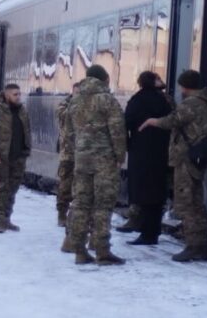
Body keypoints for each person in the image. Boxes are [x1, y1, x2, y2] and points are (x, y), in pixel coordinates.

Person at [139, 70, 207, 262]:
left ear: (187, 86)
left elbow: (172, 120)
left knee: (187, 204)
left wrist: (152, 121)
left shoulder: (192, 104)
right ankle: (200, 245)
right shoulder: (204, 102)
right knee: (195, 202)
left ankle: (194, 246)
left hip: (186, 160)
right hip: (194, 158)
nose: (180, 89)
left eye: (182, 85)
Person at [65, 65, 127, 265]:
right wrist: (120, 156)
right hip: (104, 160)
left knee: (81, 204)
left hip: (82, 159)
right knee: (102, 205)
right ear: (105, 79)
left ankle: (79, 250)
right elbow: (117, 131)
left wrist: (78, 151)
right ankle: (102, 250)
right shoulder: (107, 101)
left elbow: (69, 132)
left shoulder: (75, 101)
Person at [124, 71, 172, 245]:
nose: (161, 80)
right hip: (161, 152)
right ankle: (152, 232)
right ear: (152, 82)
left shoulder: (137, 100)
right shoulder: (164, 100)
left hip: (141, 152)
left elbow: (126, 123)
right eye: (158, 78)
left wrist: (128, 145)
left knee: (144, 193)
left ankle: (147, 233)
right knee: (156, 194)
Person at [0, 83, 32, 233]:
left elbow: (27, 130)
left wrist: (27, 149)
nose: (18, 97)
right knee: (2, 189)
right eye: (15, 94)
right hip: (2, 157)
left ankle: (7, 218)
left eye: (19, 94)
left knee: (13, 189)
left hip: (18, 156)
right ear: (6, 95)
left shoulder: (22, 111)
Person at [56, 83, 80, 228]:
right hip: (68, 154)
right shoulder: (64, 105)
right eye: (76, 92)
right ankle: (61, 214)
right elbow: (63, 116)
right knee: (65, 186)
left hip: (83, 154)